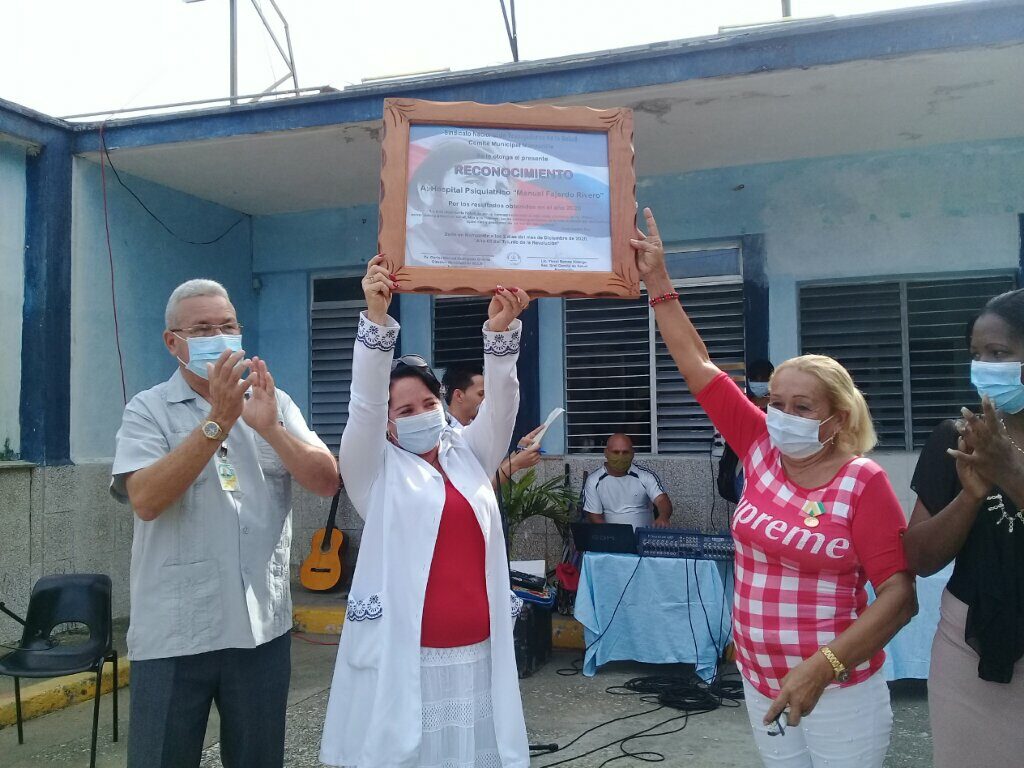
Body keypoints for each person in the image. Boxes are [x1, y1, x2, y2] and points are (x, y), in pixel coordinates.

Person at [631, 208, 916, 768]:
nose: (781, 415)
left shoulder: (863, 482)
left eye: (800, 407)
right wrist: (658, 280)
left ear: (836, 419)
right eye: (775, 402)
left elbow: (899, 596)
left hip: (838, 692)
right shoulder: (759, 444)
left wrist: (824, 666)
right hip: (760, 683)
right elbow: (697, 364)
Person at [110, 279, 339, 768]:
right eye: (203, 328)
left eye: (228, 325)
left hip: (260, 630)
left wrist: (269, 427)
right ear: (174, 343)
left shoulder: (273, 402)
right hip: (175, 631)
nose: (220, 336)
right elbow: (146, 500)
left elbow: (325, 481)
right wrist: (218, 419)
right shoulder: (148, 410)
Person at [319, 257, 532, 768]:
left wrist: (499, 337)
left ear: (443, 402)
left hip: (477, 652)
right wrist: (376, 322)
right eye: (404, 411)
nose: (420, 416)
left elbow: (501, 408)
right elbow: (364, 405)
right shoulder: (374, 472)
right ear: (389, 425)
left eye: (427, 403)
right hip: (411, 657)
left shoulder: (468, 455)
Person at [902, 288, 1024, 768]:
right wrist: (971, 495)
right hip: (967, 643)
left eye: (1000, 354)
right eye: (977, 354)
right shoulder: (953, 438)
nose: (984, 368)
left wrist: (1009, 474)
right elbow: (919, 559)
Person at [443, 363, 543, 484]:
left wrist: (519, 452)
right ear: (459, 395)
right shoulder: (445, 435)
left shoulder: (475, 428)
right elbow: (476, 487)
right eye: (481, 394)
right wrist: (515, 463)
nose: (485, 401)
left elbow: (488, 471)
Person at [582, 433, 673, 529]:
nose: (620, 457)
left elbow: (662, 500)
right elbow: (594, 517)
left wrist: (663, 517)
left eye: (625, 452)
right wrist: (615, 536)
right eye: (616, 452)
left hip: (643, 538)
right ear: (606, 453)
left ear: (632, 453)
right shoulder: (594, 481)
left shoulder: (645, 476)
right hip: (611, 538)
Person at [718, 359, 775, 504]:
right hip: (742, 470)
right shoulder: (742, 406)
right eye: (755, 378)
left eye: (764, 378)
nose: (759, 382)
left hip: (771, 472)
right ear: (749, 380)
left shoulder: (779, 409)